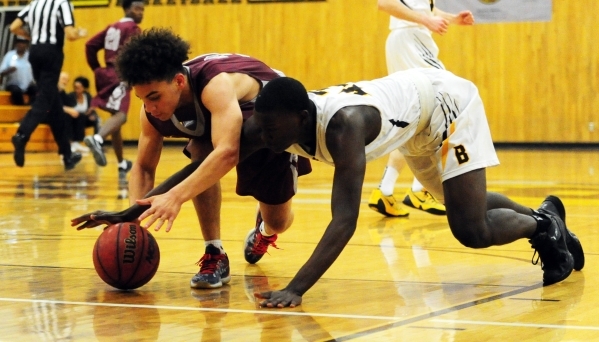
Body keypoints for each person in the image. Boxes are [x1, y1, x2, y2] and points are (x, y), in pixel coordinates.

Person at [245, 71, 583, 308]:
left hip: (446, 106)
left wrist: (296, 288)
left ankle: (543, 228)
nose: (264, 133)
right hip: (414, 120)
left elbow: (345, 220)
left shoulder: (343, 127)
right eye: (260, 125)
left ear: (302, 118)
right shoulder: (270, 122)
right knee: (460, 203)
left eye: (270, 128)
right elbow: (213, 160)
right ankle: (546, 215)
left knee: (471, 229)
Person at [71, 28, 311, 289]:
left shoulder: (214, 85)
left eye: (154, 98)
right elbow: (143, 166)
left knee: (278, 221)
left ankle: (264, 231)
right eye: (142, 99)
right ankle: (214, 253)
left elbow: (227, 154)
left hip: (267, 116)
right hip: (219, 118)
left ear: (179, 82)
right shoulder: (150, 109)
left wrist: (174, 196)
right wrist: (133, 218)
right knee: (200, 152)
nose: (149, 108)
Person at [369, 0, 474, 217]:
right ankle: (420, 190)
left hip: (411, 40)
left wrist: (452, 19)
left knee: (419, 119)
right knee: (450, 98)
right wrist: (426, 20)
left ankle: (385, 191)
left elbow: (423, 7)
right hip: (410, 40)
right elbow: (385, 3)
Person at [9, 0, 87, 170]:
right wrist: (80, 33)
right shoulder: (62, 3)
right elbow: (70, 34)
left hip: (35, 51)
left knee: (53, 103)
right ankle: (22, 134)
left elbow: (13, 27)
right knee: (45, 98)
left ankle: (67, 156)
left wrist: (31, 37)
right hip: (51, 52)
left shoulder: (35, 4)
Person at [83, 0, 144, 175]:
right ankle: (97, 139)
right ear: (126, 9)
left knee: (115, 120)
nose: (141, 12)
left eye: (142, 9)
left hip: (106, 73)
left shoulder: (112, 27)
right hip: (121, 75)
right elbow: (135, 56)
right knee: (121, 115)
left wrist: (97, 68)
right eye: (137, 9)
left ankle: (121, 163)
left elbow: (90, 45)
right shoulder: (133, 29)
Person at [63, 76, 99, 153]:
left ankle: (97, 144)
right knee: (73, 117)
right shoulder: (70, 96)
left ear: (84, 88)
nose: (76, 89)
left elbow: (91, 108)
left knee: (98, 120)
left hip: (84, 118)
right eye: (75, 87)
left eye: (79, 87)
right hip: (73, 118)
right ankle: (73, 143)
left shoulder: (88, 96)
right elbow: (66, 108)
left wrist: (92, 114)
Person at [0, 37, 36, 105]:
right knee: (16, 91)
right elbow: (1, 72)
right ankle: (20, 109)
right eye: (19, 42)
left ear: (27, 45)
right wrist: (9, 70)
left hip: (28, 85)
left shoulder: (30, 56)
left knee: (36, 91)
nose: (20, 44)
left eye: (23, 43)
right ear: (15, 44)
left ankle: (31, 109)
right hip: (13, 84)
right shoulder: (10, 55)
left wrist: (33, 81)